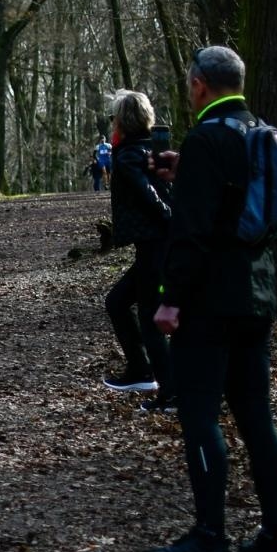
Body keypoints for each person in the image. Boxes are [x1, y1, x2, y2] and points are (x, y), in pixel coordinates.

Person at [142, 45, 277, 552]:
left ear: (199, 85)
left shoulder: (204, 138)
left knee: (200, 416)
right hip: (258, 297)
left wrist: (170, 299)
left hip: (208, 303)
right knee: (257, 419)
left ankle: (210, 538)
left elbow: (193, 231)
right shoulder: (261, 135)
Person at [101, 90, 174, 410]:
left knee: (149, 316)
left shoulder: (130, 156)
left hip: (157, 246)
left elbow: (150, 196)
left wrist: (170, 219)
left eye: (114, 118)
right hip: (153, 246)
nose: (112, 124)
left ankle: (170, 391)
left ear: (122, 121)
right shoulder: (149, 150)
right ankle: (140, 369)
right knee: (117, 302)